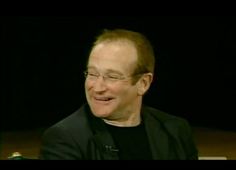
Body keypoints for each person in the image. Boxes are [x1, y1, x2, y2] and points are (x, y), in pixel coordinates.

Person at [39, 29, 198, 160]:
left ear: (143, 83)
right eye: (92, 74)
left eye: (112, 76)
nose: (97, 87)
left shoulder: (176, 130)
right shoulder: (64, 138)